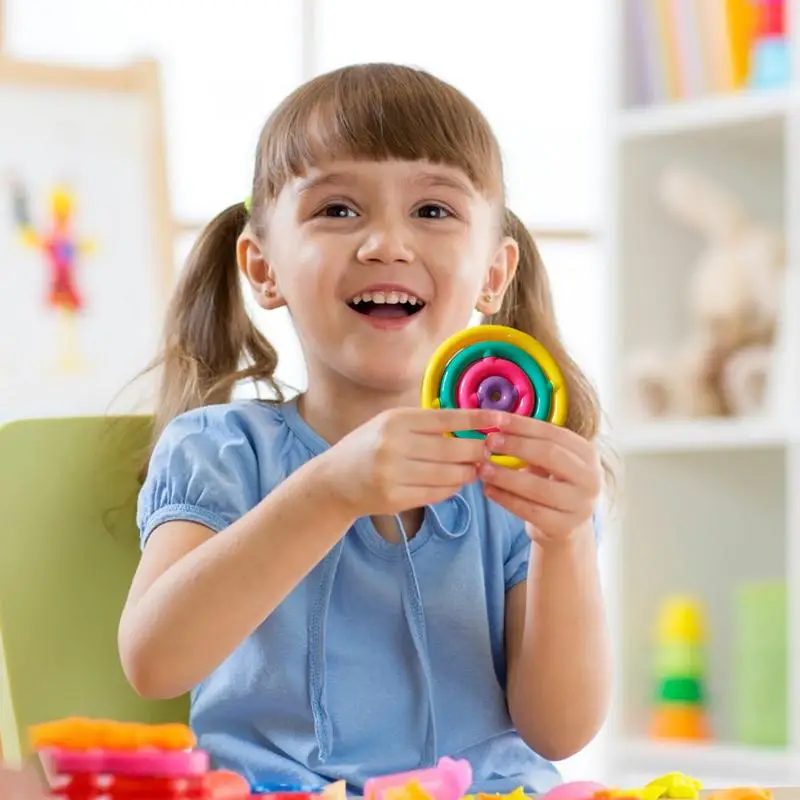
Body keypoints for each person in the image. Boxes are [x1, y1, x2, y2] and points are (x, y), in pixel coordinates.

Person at [125, 62, 610, 796]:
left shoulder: (518, 476)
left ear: (493, 272)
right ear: (263, 269)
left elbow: (560, 729)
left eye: (434, 211)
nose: (386, 243)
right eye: (339, 210)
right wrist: (329, 490)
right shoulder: (220, 452)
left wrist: (563, 540)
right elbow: (154, 661)